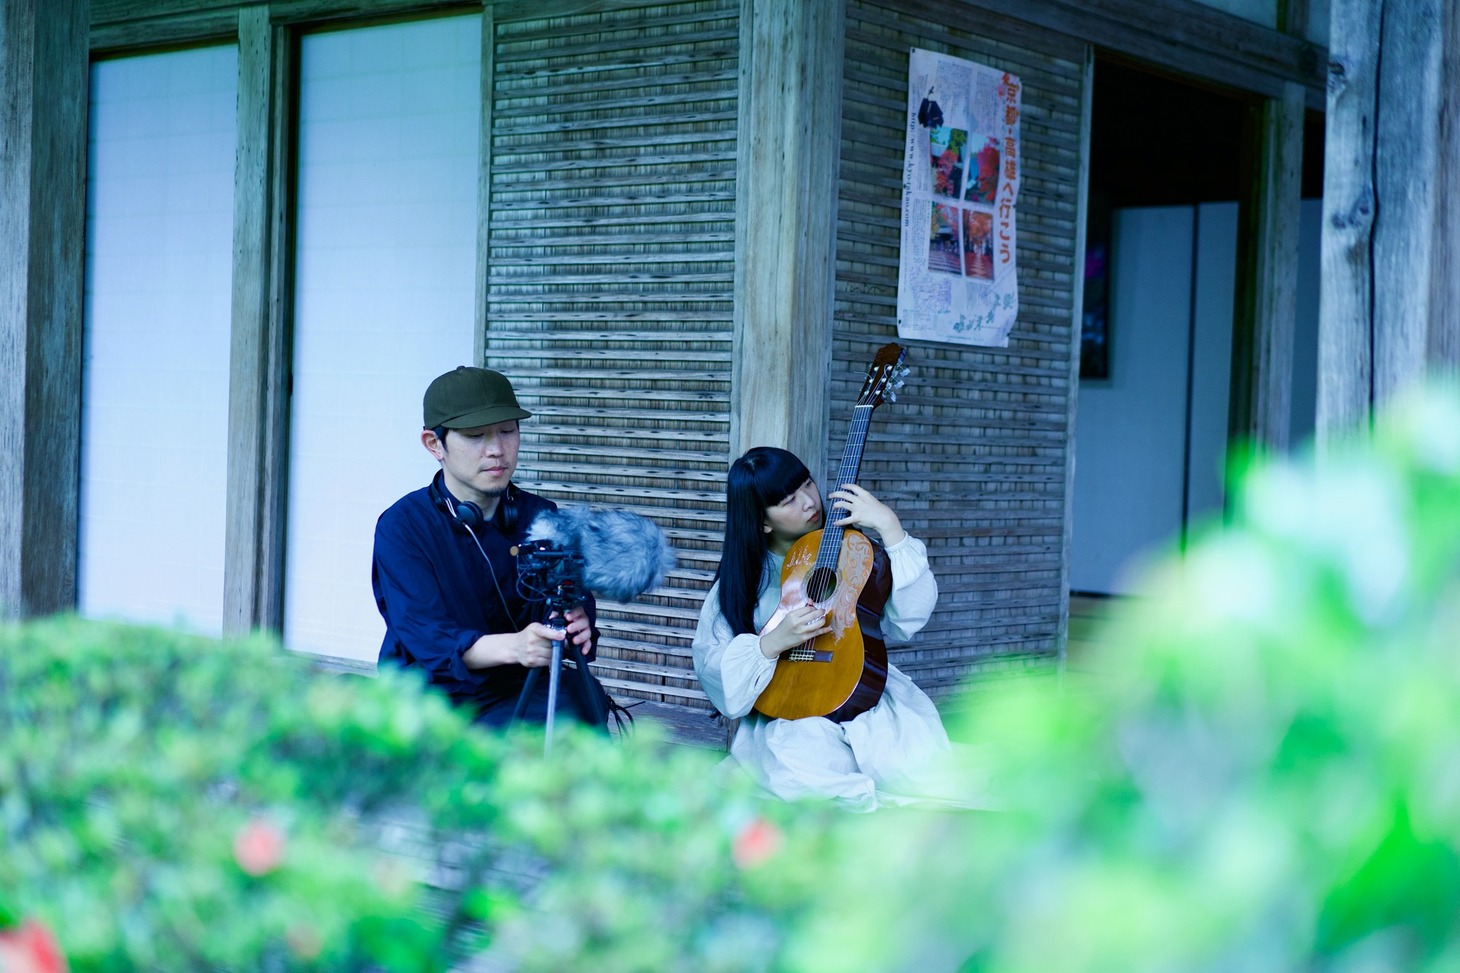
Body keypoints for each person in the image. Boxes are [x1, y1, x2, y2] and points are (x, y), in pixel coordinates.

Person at [692, 446, 961, 811]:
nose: (808, 502)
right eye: (788, 500)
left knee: (913, 769)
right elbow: (715, 670)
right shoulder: (744, 580)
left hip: (861, 694)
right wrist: (771, 643)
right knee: (799, 767)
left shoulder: (854, 551)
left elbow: (907, 620)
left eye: (807, 484)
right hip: (788, 713)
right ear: (762, 521)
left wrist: (890, 527)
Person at [372, 365, 611, 728]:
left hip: (519, 685)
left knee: (585, 707)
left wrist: (574, 620)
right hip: (433, 695)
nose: (497, 450)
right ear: (434, 444)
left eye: (507, 431)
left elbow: (568, 598)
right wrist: (515, 646)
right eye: (475, 436)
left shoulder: (541, 516)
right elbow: (426, 634)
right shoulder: (402, 526)